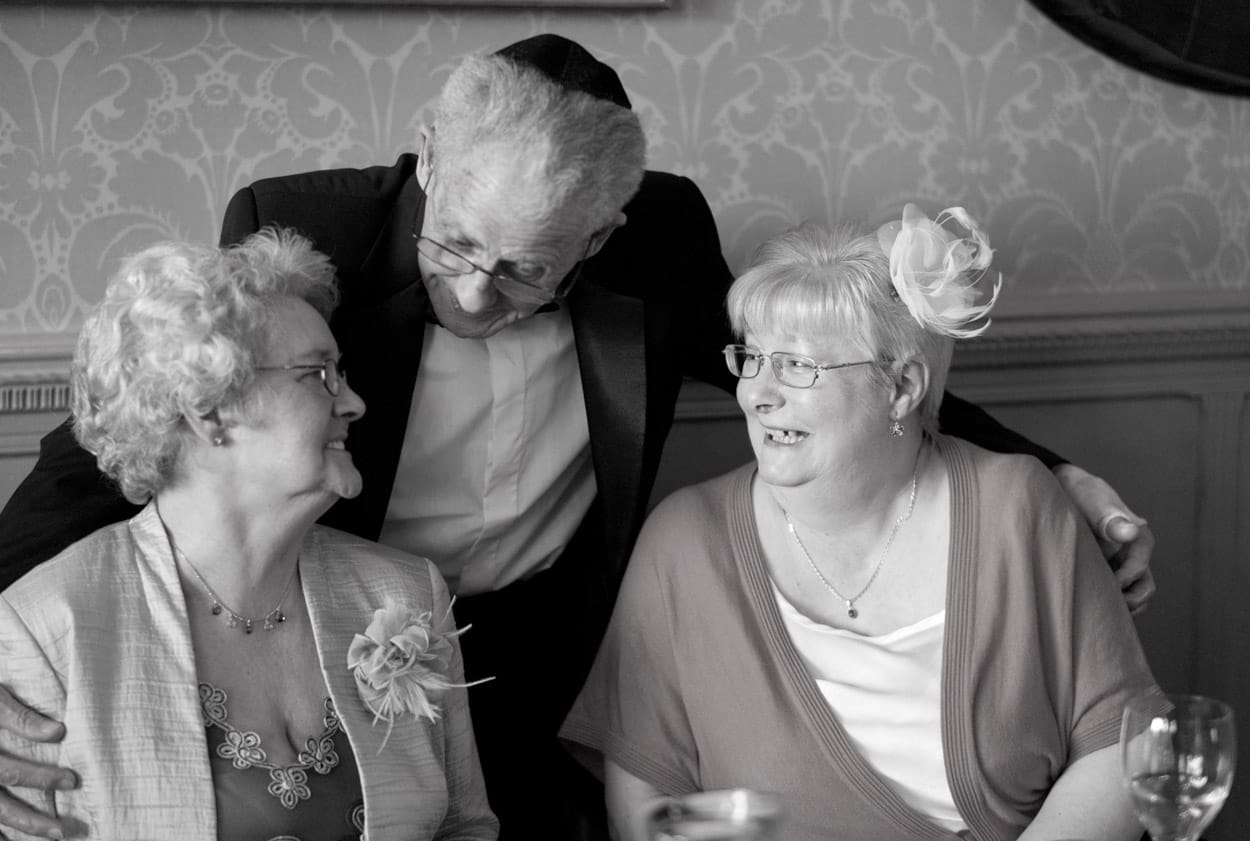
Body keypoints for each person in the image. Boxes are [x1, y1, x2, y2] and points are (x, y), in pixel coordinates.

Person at [0, 35, 1153, 841]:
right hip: (325, 632)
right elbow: (124, 440)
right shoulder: (313, 233)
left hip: (551, 652)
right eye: (455, 244)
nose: (472, 291)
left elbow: (828, 373)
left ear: (598, 235)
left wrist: (1047, 470)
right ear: (428, 161)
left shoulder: (657, 241)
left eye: (524, 270)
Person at [559, 207, 1164, 841]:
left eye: (798, 366)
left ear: (901, 387)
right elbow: (645, 810)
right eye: (750, 357)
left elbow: (1121, 747)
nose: (756, 394)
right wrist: (774, 822)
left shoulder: (1016, 507)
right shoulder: (684, 543)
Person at [0, 229, 496, 840]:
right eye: (320, 375)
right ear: (210, 409)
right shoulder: (49, 629)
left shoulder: (407, 593)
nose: (355, 403)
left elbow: (465, 828)